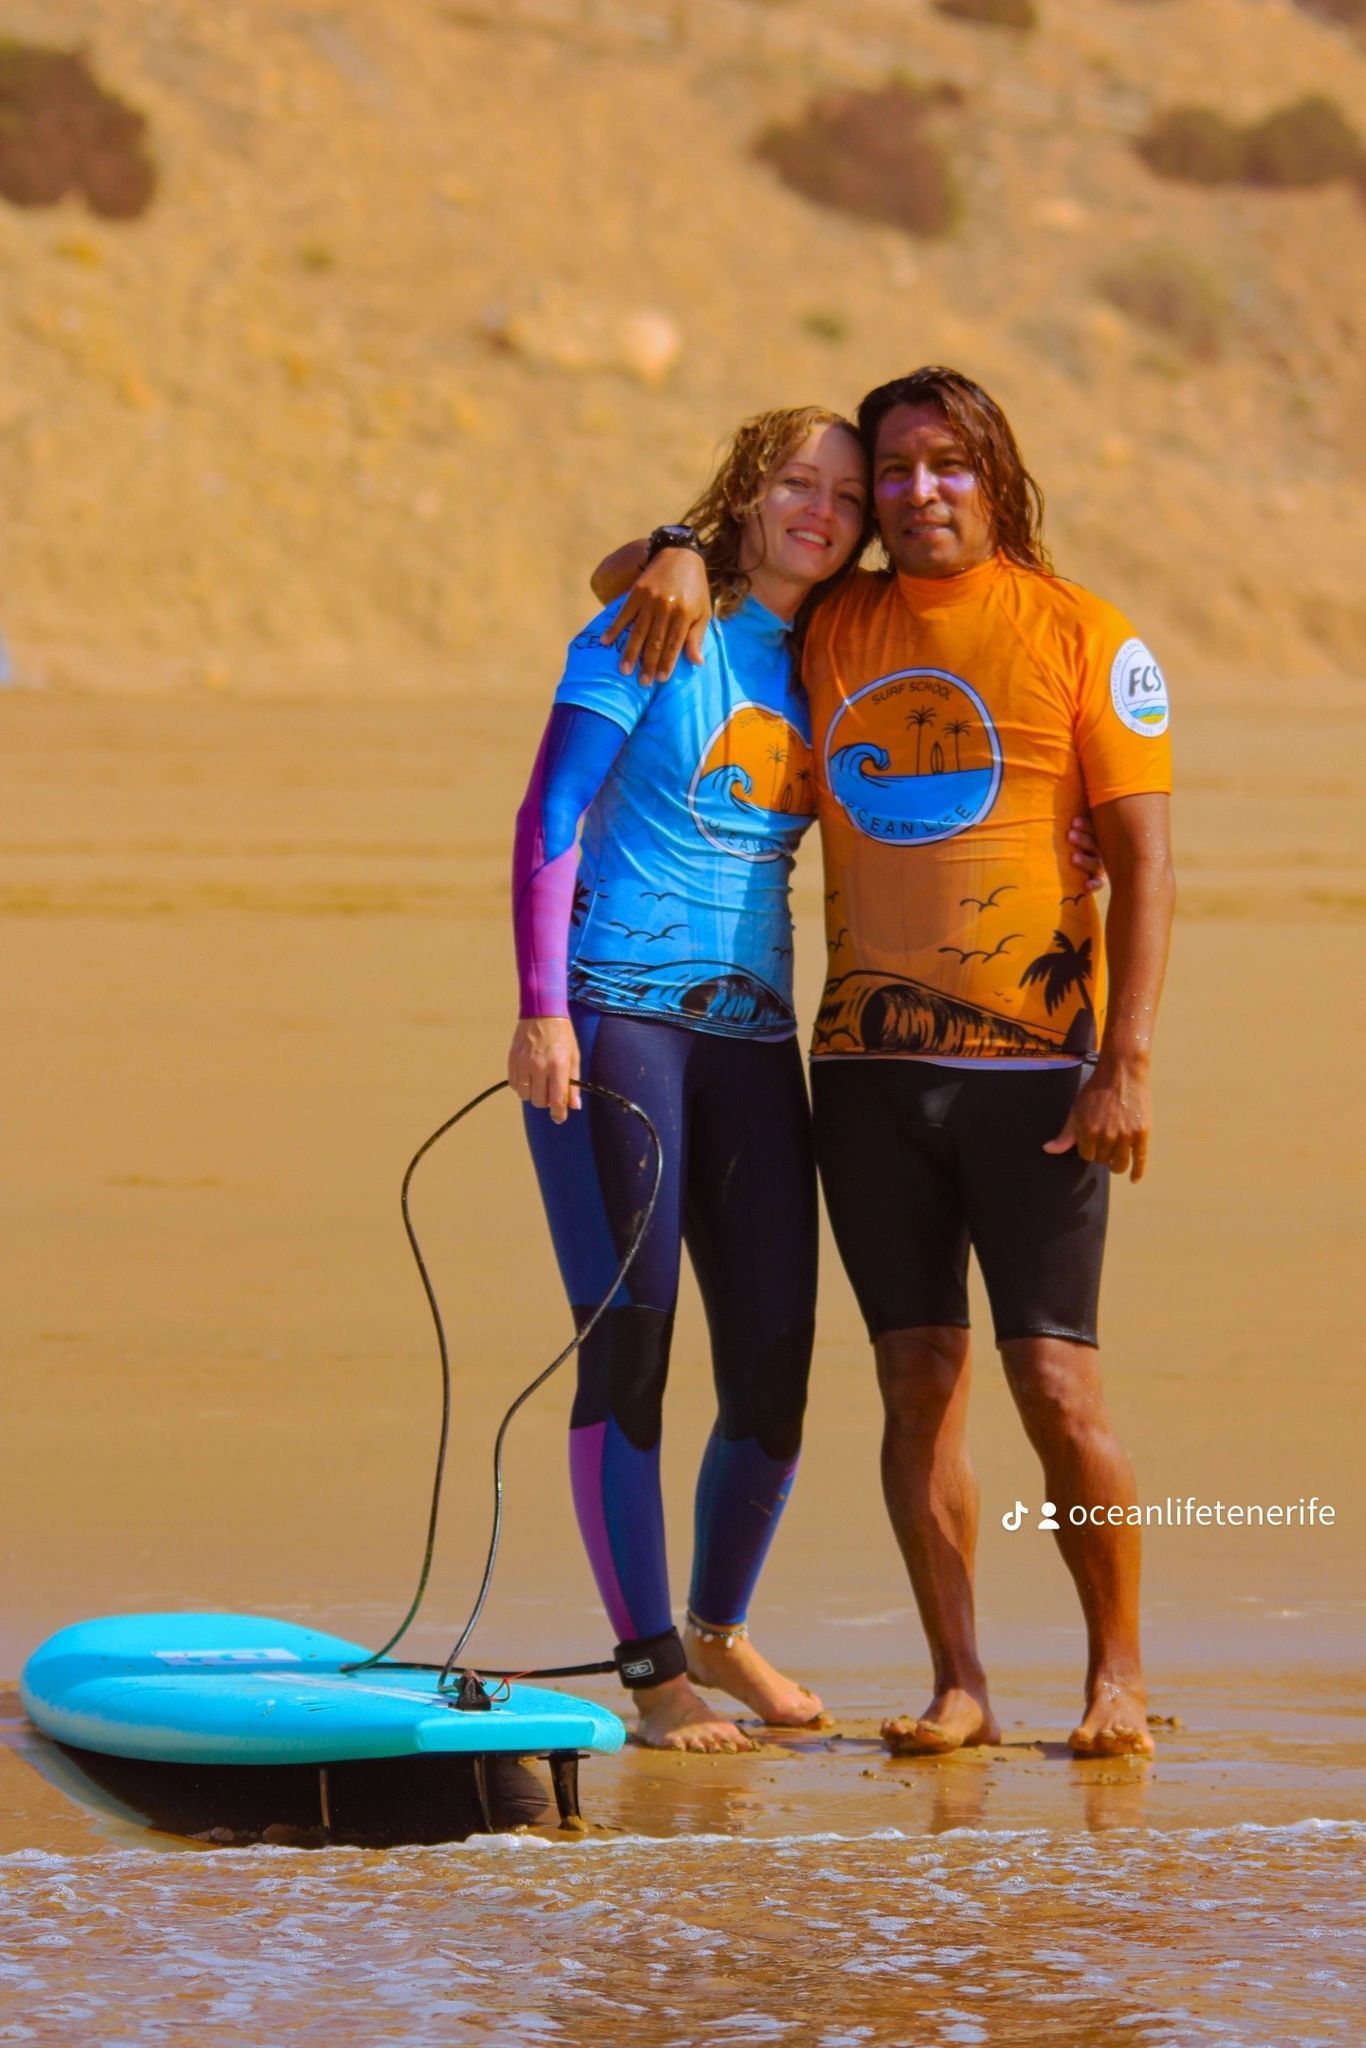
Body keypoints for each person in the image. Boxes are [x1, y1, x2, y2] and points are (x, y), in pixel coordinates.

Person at [593, 366, 1175, 1760]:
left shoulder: (1086, 635)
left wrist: (1126, 1063)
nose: (915, 493)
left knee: (1055, 1387)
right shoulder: (838, 621)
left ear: (994, 475)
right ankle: (958, 1683)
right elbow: (636, 571)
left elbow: (1146, 864)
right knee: (915, 1382)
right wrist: (676, 542)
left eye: (941, 465)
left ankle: (1115, 1676)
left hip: (1039, 1069)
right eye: (893, 472)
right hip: (858, 1071)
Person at [509, 406, 871, 1752]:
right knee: (636, 1344)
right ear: (747, 493)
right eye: (794, 483)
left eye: (843, 493)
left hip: (751, 1043)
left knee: (775, 1357)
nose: (818, 510)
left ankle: (718, 1628)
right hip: (613, 1026)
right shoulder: (650, 627)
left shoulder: (840, 649)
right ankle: (649, 1664)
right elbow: (548, 814)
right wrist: (541, 1011)